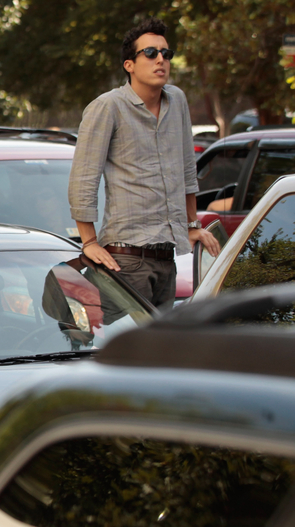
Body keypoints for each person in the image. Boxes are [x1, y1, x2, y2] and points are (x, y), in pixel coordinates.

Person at [68, 17, 220, 309]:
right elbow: (83, 179)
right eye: (150, 53)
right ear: (130, 65)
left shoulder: (177, 101)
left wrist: (191, 224)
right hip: (126, 260)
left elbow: (188, 170)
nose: (160, 59)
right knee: (127, 350)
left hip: (167, 260)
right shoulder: (108, 107)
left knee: (159, 352)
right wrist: (89, 242)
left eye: (166, 53)